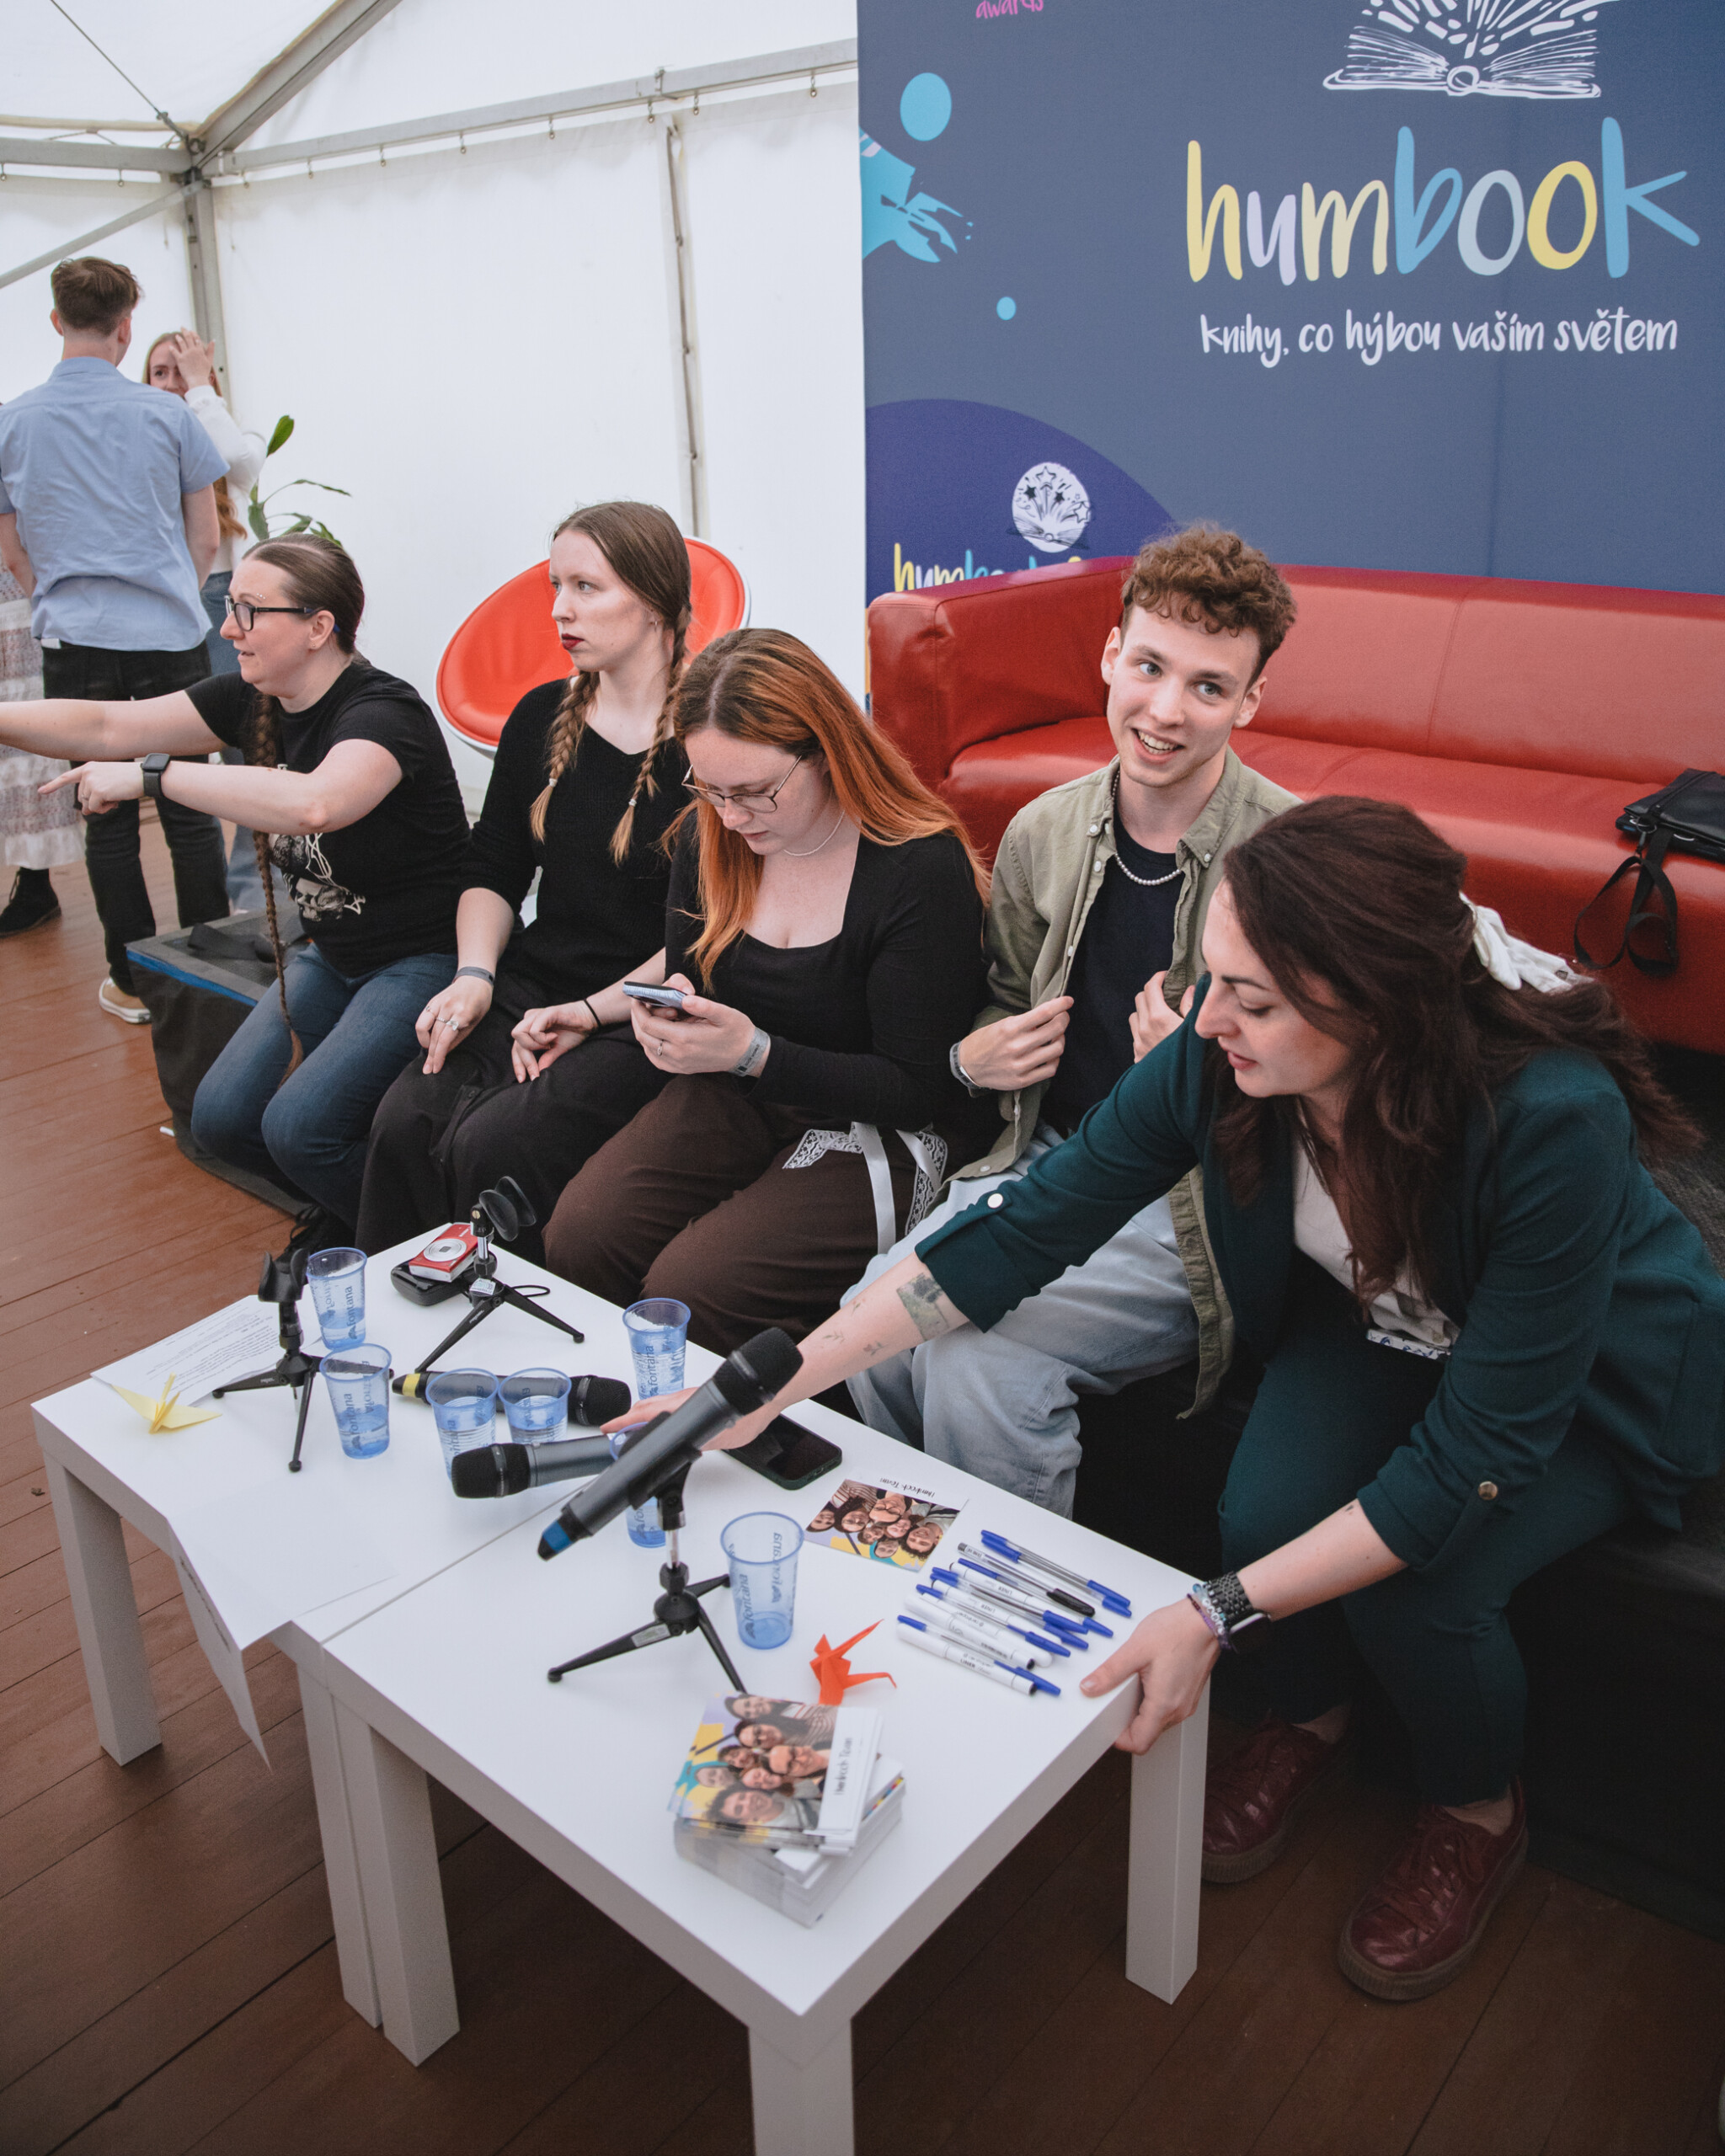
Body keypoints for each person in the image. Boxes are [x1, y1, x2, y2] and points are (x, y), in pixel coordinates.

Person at [650, 794, 1724, 2000]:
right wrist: (769, 1385)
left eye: (1252, 1000)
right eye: (1213, 979)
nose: (1206, 1020)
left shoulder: (1550, 1119)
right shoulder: (1218, 1053)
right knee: (1259, 1512)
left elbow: (1472, 1455)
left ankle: (1475, 1807)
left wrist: (1210, 1614)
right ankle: (1306, 1718)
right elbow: (1027, 1228)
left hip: (1593, 1374)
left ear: (1377, 1008)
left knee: (1429, 1587)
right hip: (1384, 1316)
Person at [846, 526, 1299, 1514]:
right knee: (870, 1316)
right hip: (1048, 1156)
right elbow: (1005, 998)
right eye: (1149, 667)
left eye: (1208, 687)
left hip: (1189, 1200)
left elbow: (1324, 1104)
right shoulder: (1044, 829)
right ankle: (900, 1554)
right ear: (1109, 655)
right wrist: (975, 1053)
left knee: (977, 1359)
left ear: (1250, 701)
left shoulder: (1290, 859)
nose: (1164, 711)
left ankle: (1001, 1588)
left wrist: (1198, 1076)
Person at [542, 627, 993, 1353]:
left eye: (754, 793)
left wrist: (753, 1052)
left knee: (697, 1288)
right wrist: (666, 1026)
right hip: (741, 1088)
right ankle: (627, 1402)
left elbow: (916, 1089)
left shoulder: (916, 868)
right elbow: (689, 980)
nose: (731, 816)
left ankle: (757, 1413)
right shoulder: (710, 836)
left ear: (826, 752)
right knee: (582, 1235)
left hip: (883, 1125)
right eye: (709, 788)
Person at [0, 536, 469, 1232]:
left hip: (425, 959)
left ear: (318, 627)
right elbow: (105, 723)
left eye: (249, 610)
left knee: (299, 1128)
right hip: (334, 954)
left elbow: (317, 804)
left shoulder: (382, 713)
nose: (227, 629)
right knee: (218, 1119)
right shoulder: (251, 700)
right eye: (229, 607)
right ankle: (360, 1216)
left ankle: (421, 1240)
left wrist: (153, 776)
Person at [355, 502, 691, 1262]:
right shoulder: (542, 716)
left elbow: (704, 932)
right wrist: (474, 977)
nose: (560, 610)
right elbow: (493, 866)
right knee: (404, 1120)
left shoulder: (708, 739)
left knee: (496, 1144)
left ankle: (509, 1317)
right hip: (536, 981)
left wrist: (590, 1014)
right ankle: (404, 1309)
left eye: (585, 588)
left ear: (654, 602)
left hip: (644, 1010)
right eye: (555, 586)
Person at [0, 256, 230, 1021]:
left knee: (103, 812)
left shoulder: (12, 422)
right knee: (190, 804)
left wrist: (60, 600)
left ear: (56, 320)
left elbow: (13, 551)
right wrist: (169, 597)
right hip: (168, 635)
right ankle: (208, 972)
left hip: (75, 641)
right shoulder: (168, 416)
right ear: (127, 329)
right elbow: (205, 536)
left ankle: (131, 981)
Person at [142, 327, 280, 911]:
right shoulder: (140, 442)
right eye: (161, 373)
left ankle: (253, 897)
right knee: (185, 756)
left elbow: (239, 460)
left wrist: (199, 388)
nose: (174, 383)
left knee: (251, 752)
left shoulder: (222, 435)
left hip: (224, 597)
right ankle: (214, 907)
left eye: (185, 370)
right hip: (165, 605)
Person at [0, 555, 82, 937]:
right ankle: (35, 886)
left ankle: (35, 883)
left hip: (20, 606)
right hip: (24, 600)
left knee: (25, 740)